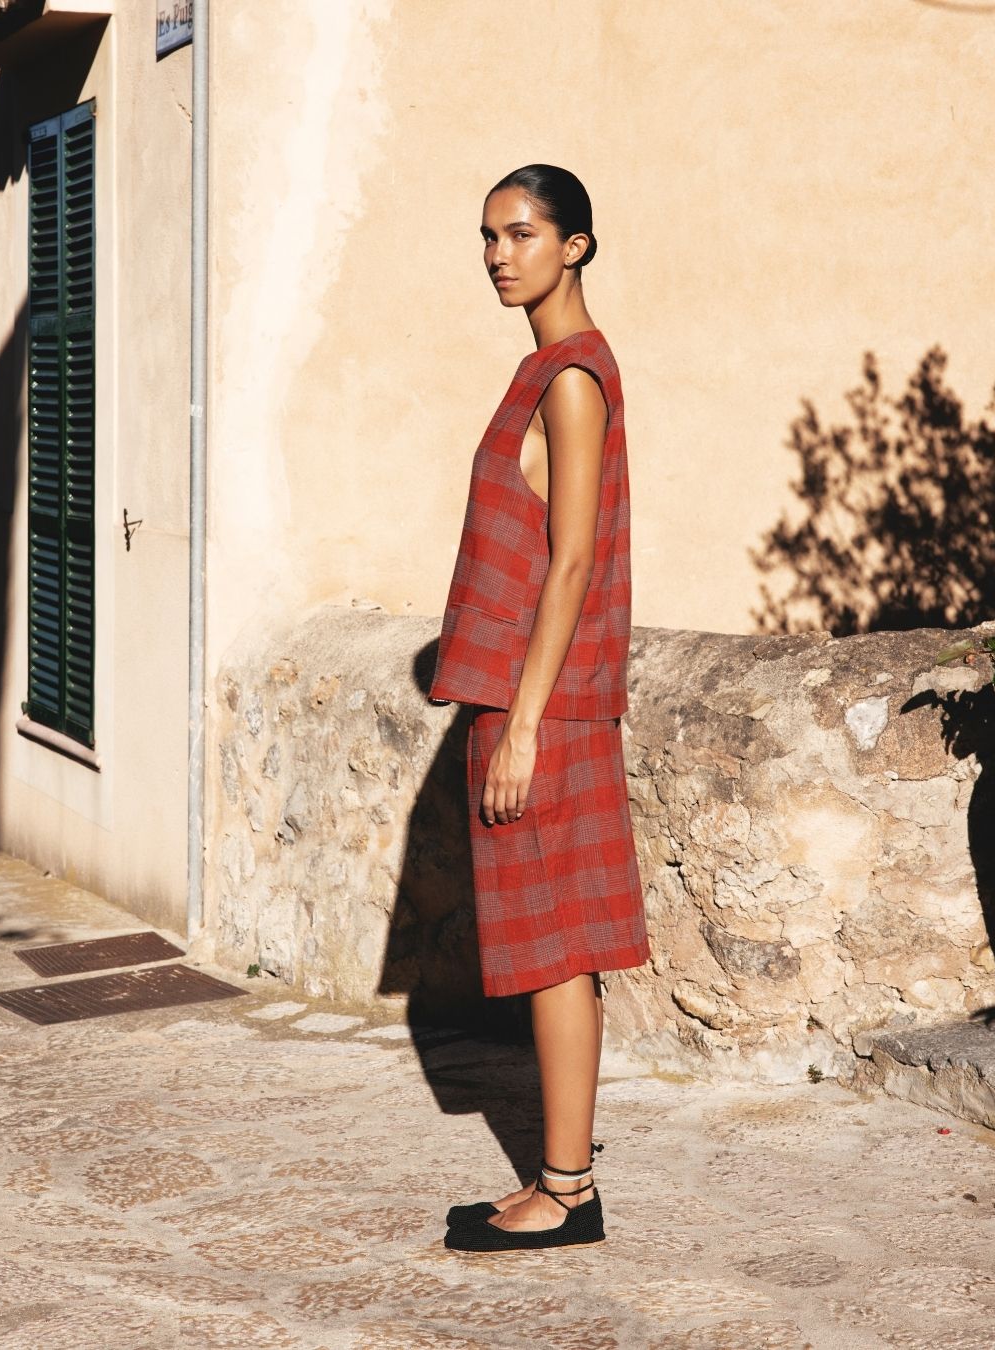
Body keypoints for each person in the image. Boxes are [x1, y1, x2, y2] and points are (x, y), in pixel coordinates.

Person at [426, 164, 650, 1252]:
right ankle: (564, 1182)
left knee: (558, 952)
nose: (498, 255)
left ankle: (566, 1193)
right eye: (488, 236)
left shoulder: (571, 377)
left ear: (576, 246)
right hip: (529, 699)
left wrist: (520, 725)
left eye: (521, 234)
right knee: (548, 949)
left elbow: (571, 564)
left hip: (544, 708)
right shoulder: (543, 370)